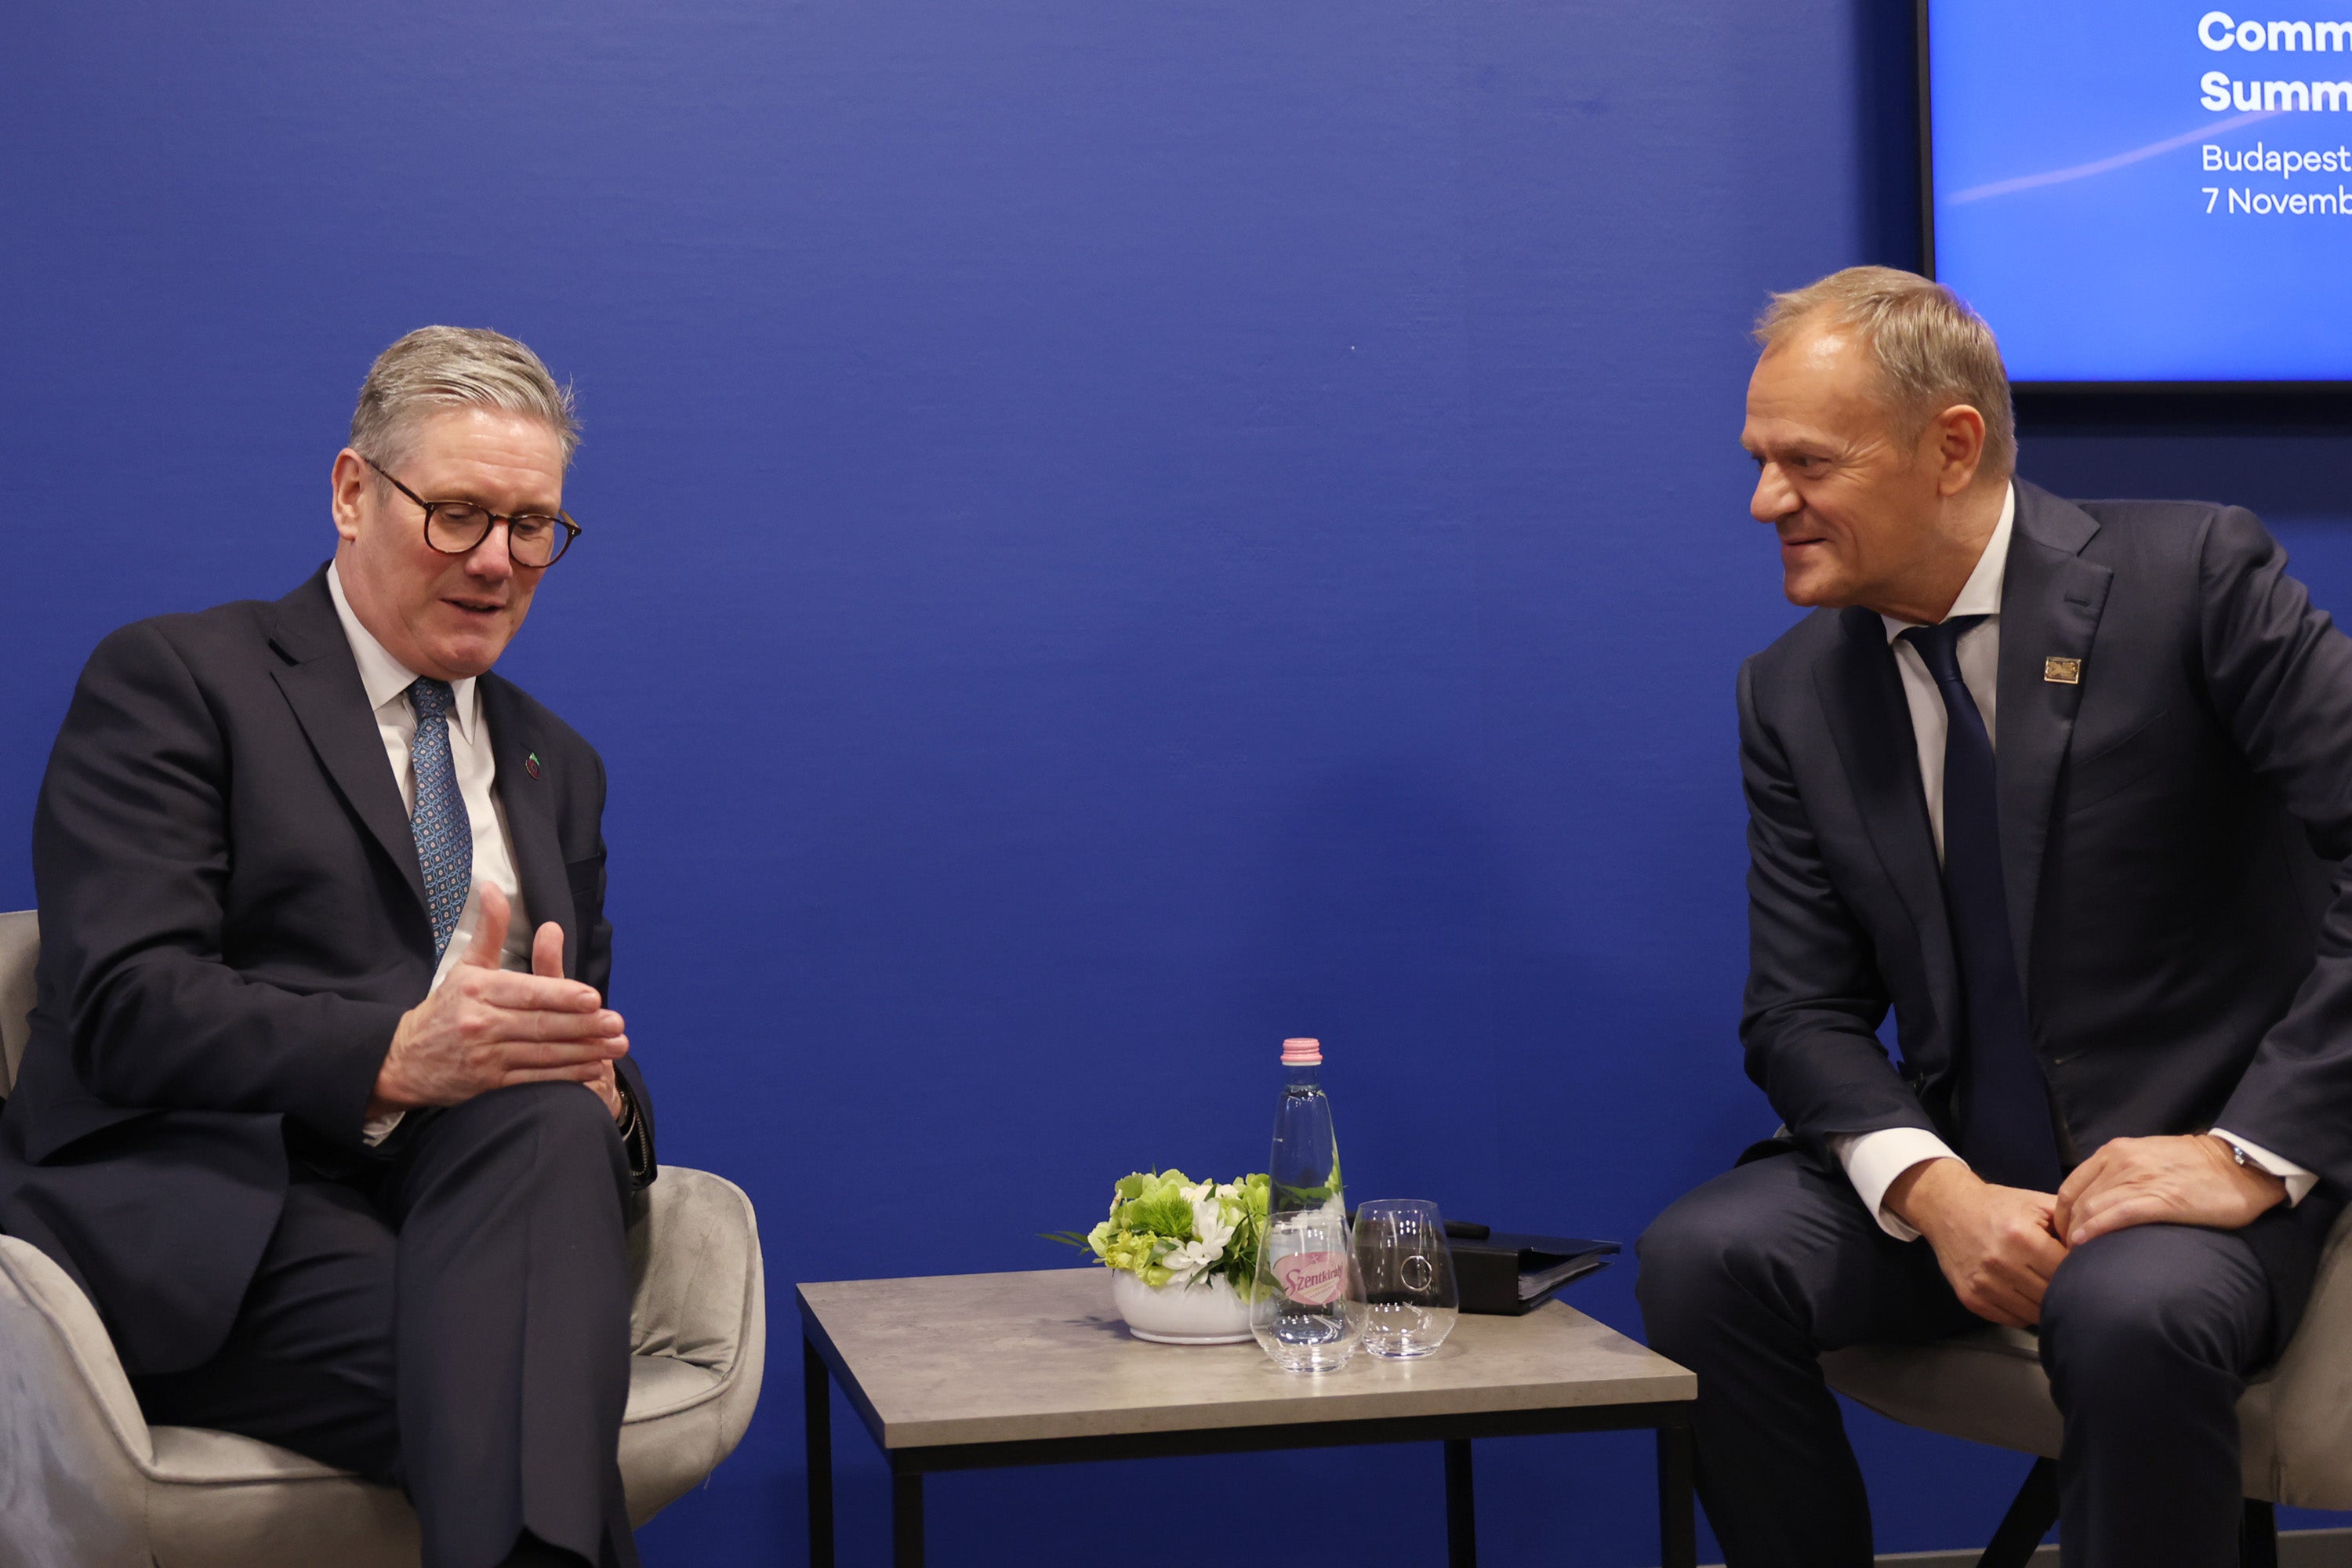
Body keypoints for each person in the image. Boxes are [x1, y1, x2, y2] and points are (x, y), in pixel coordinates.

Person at [1635, 267, 2352, 1568]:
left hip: (2199, 1180)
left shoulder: (2189, 577)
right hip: (1970, 1166)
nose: (1764, 500)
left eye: (1806, 461)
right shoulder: (1791, 692)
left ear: (1950, 446)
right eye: (1758, 460)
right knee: (1704, 1262)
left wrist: (2247, 1153)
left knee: (2129, 1315)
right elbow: (1799, 1011)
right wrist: (1937, 1192)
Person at [0, 327, 655, 1568]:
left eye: (534, 528)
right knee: (524, 1385)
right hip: (214, 1211)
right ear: (354, 492)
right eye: (459, 515)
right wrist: (399, 1053)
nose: (499, 562)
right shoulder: (181, 677)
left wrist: (601, 1091)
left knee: (553, 1133)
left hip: (478, 1209)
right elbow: (126, 1002)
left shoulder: (555, 765)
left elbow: (567, 1035)